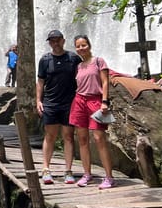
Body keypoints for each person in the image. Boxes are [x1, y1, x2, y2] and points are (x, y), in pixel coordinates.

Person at [69, 35, 116, 189]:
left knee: (99, 138)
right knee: (82, 139)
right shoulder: (79, 66)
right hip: (79, 101)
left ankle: (109, 177)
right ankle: (87, 174)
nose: (81, 48)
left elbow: (105, 82)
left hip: (95, 101)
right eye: (78, 46)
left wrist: (104, 101)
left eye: (83, 45)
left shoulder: (98, 61)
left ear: (89, 45)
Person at [36, 30, 80, 185]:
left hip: (69, 103)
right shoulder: (45, 60)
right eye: (52, 41)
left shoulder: (73, 58)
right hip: (50, 103)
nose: (55, 43)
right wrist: (38, 100)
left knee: (68, 136)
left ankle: (68, 171)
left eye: (58, 40)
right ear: (49, 43)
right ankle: (45, 169)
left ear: (63, 40)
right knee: (50, 136)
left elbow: (82, 76)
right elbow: (40, 82)